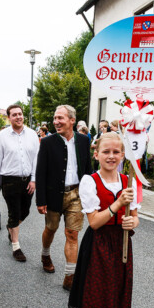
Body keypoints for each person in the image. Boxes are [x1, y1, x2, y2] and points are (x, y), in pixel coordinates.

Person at [69, 133, 139, 308]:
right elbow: (95, 222)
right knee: (100, 297)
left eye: (116, 152)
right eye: (106, 151)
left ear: (122, 156)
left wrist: (133, 221)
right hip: (99, 244)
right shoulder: (90, 181)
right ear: (96, 154)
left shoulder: (128, 181)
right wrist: (117, 204)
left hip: (121, 243)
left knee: (109, 294)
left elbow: (134, 217)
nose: (111, 156)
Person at [36, 105, 92, 290]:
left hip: (76, 194)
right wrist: (41, 200)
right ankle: (45, 254)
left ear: (72, 120)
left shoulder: (84, 141)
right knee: (51, 228)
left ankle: (70, 276)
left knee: (72, 234)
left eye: (60, 118)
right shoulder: (47, 142)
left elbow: (88, 170)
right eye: (54, 118)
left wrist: (91, 194)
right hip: (53, 194)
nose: (56, 122)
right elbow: (41, 172)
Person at [0, 104, 39, 262]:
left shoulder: (32, 134)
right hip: (9, 180)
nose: (18, 117)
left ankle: (11, 226)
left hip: (27, 181)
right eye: (14, 115)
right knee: (14, 212)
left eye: (20, 114)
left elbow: (36, 159)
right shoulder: (3, 136)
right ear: (9, 117)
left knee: (24, 212)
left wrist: (33, 179)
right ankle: (16, 246)